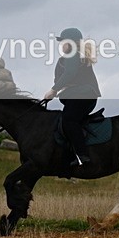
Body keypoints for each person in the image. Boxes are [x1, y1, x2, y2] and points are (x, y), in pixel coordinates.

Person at [44, 27, 101, 166]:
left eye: (63, 41)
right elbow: (60, 78)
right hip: (76, 97)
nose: (61, 44)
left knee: (69, 121)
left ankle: (83, 156)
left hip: (82, 96)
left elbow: (69, 74)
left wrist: (53, 90)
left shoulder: (73, 55)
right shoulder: (68, 57)